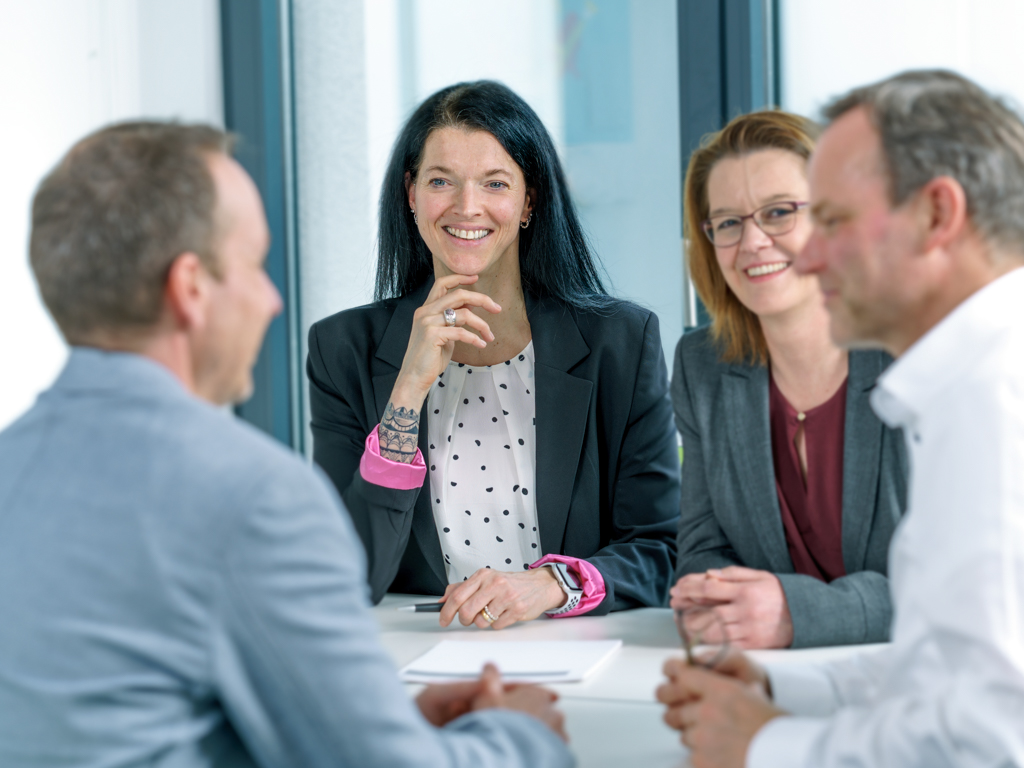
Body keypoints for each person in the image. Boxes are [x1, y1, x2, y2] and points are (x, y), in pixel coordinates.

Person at [0, 121, 573, 768]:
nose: (273, 300)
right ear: (191, 289)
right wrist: (522, 734)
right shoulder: (252, 497)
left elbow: (129, 716)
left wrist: (390, 722)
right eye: (252, 265)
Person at [657, 69, 1024, 768]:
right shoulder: (958, 386)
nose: (809, 253)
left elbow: (989, 741)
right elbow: (946, 663)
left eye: (830, 220)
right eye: (729, 223)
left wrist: (766, 743)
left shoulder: (999, 402)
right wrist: (789, 690)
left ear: (937, 215)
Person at [307, 80, 679, 630]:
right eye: (441, 181)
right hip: (420, 660)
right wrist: (406, 393)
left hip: (579, 656)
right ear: (411, 194)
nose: (467, 207)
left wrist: (554, 584)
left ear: (530, 199)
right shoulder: (342, 349)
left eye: (495, 182)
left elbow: (660, 550)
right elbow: (348, 577)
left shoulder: (620, 342)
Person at [670, 109, 907, 649]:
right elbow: (703, 548)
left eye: (779, 212)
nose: (751, 242)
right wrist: (714, 601)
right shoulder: (701, 366)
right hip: (771, 676)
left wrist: (798, 614)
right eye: (728, 222)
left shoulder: (914, 354)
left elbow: (970, 579)